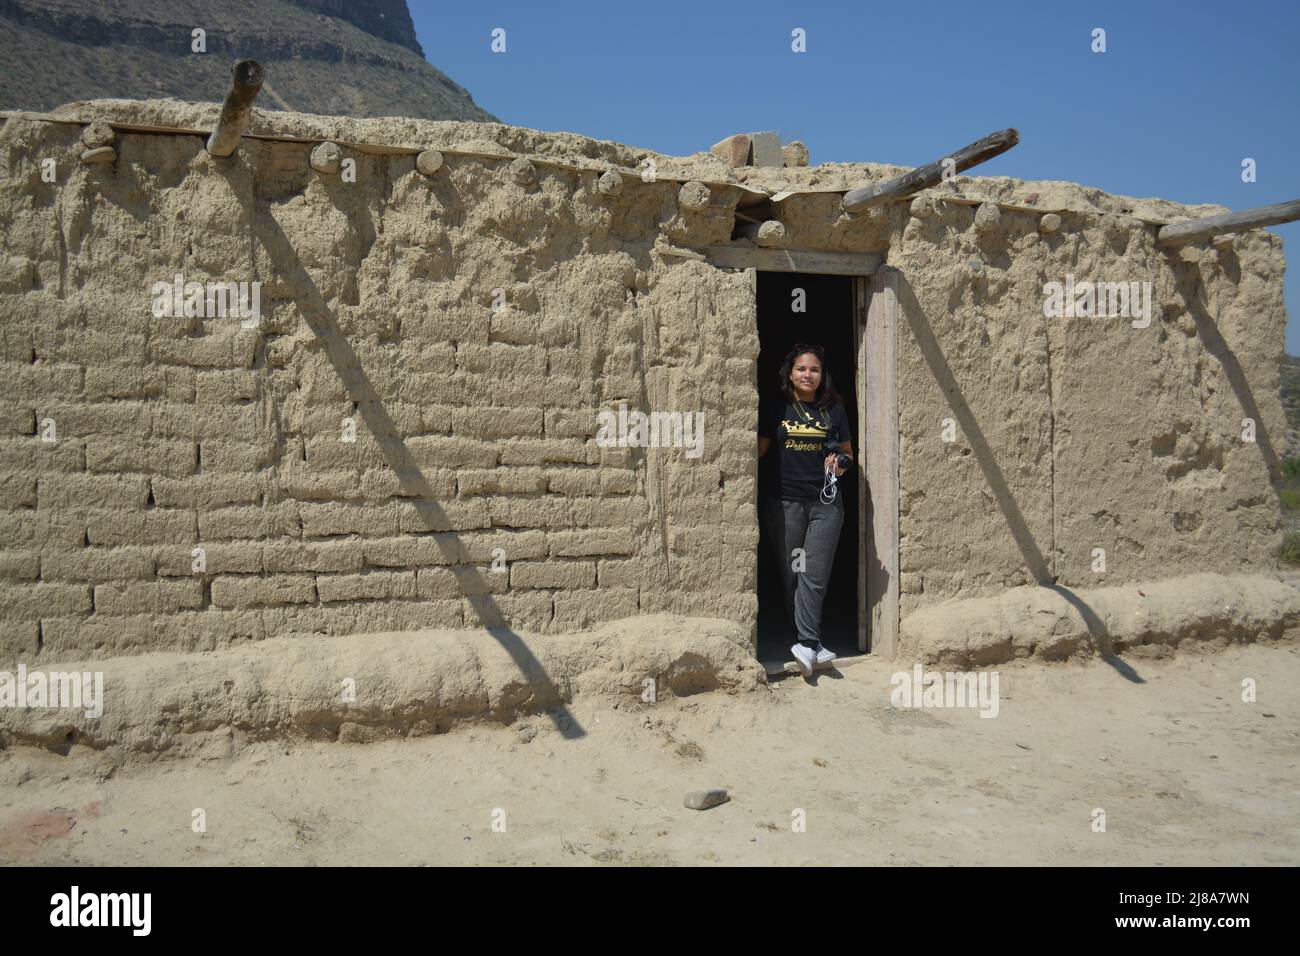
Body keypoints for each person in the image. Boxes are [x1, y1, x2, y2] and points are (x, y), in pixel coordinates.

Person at [757, 343, 854, 677]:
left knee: (815, 573)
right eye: (802, 369)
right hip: (784, 502)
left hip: (826, 503)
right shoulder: (776, 409)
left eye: (814, 369)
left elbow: (848, 454)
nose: (808, 375)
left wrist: (841, 464)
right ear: (791, 373)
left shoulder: (833, 409)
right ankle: (801, 634)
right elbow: (758, 452)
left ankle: (807, 641)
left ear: (822, 375)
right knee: (792, 571)